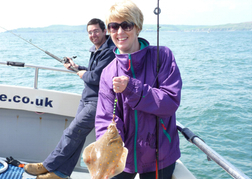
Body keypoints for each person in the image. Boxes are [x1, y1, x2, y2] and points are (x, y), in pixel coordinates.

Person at [94, 1, 182, 179]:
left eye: (126, 25)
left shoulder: (163, 56)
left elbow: (170, 102)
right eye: (114, 26)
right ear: (109, 30)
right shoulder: (108, 72)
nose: (120, 32)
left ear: (138, 27)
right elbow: (105, 116)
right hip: (122, 158)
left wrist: (132, 88)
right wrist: (109, 138)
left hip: (159, 156)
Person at [24, 18, 115, 179]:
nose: (93, 35)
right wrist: (76, 67)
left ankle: (47, 165)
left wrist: (82, 74)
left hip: (98, 102)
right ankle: (60, 173)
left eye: (96, 31)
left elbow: (97, 77)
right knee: (77, 136)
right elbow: (93, 71)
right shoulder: (97, 49)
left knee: (72, 132)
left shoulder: (109, 51)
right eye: (90, 32)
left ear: (104, 31)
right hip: (86, 98)